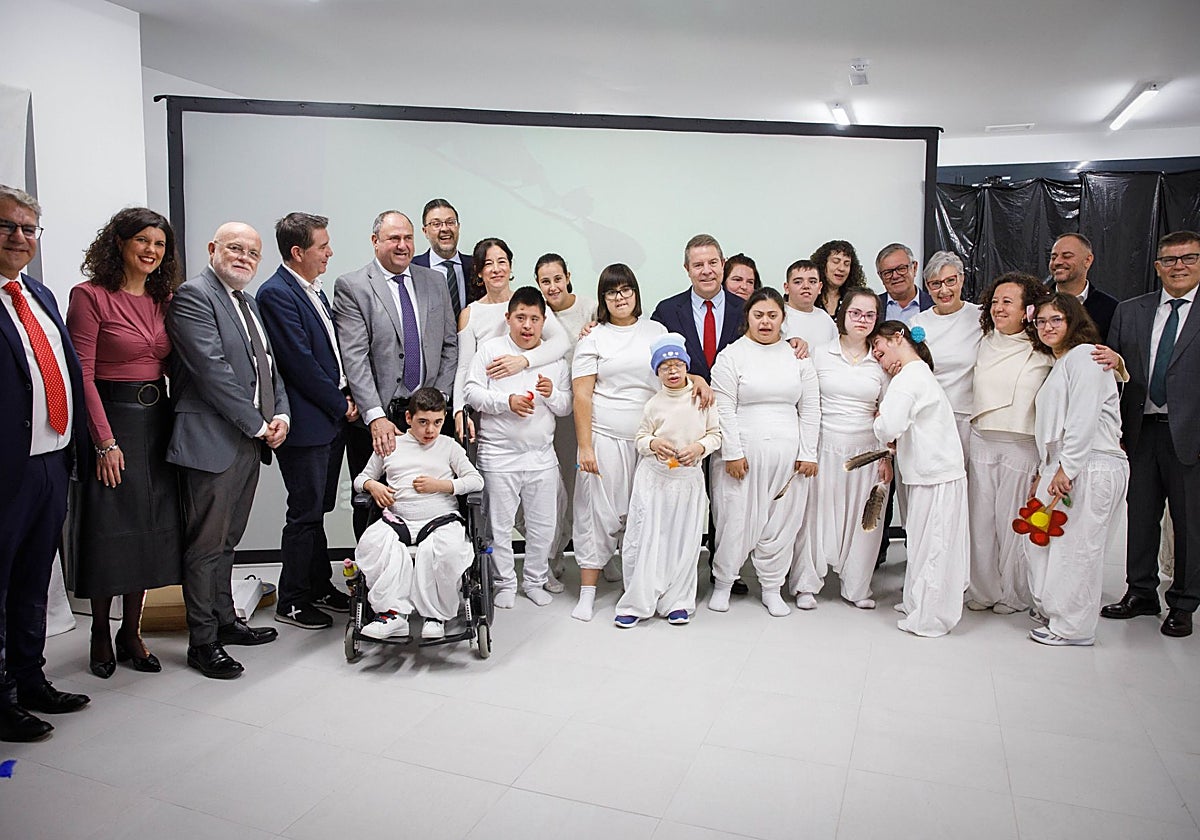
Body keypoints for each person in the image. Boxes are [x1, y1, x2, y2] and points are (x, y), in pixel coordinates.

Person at [167, 222, 289, 679]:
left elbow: (269, 372)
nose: (244, 258)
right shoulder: (194, 296)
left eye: (252, 253)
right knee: (205, 546)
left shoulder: (248, 304)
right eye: (235, 248)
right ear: (213, 249)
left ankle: (226, 620)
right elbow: (212, 372)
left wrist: (281, 417)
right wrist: (258, 423)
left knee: (228, 541)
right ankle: (202, 642)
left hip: (247, 439)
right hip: (210, 442)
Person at [66, 207, 182, 679]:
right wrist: (104, 442)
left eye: (159, 244)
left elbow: (177, 364)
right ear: (119, 243)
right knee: (110, 530)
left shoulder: (163, 298)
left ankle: (131, 632)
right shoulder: (89, 297)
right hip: (112, 423)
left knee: (151, 532)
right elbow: (83, 375)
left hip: (159, 422)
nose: (152, 251)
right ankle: (99, 629)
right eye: (143, 241)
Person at [0, 185, 90, 742]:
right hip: (5, 470)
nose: (19, 237)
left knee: (35, 578)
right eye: (7, 226)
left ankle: (31, 680)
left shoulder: (38, 295)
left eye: (29, 228)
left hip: (50, 461)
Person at [257, 213, 355, 630]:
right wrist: (340, 403)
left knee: (318, 508)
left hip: (327, 421)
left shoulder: (311, 289)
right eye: (323, 246)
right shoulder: (276, 294)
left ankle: (317, 584)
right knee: (304, 512)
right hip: (308, 423)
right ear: (298, 252)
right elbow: (300, 363)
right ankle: (293, 599)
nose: (330, 252)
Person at [333, 210, 456, 539]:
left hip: (428, 418)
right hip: (379, 420)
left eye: (408, 238)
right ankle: (376, 585)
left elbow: (449, 345)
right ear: (375, 242)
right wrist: (374, 416)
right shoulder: (353, 286)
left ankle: (425, 579)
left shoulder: (433, 281)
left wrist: (438, 402)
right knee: (374, 504)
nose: (402, 245)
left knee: (429, 499)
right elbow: (354, 357)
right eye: (393, 238)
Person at [1101, 230, 1200, 638]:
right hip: (1140, 431)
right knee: (1140, 517)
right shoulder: (1131, 311)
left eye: (1188, 258)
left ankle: (1183, 601)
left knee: (1189, 522)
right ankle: (1140, 591)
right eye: (1170, 259)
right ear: (1157, 265)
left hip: (1190, 434)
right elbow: (1113, 377)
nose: (1178, 266)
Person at [709, 287, 821, 617]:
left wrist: (808, 453)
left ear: (783, 319)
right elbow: (723, 407)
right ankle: (723, 583)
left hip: (789, 458)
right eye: (759, 315)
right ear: (748, 319)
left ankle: (772, 587)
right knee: (735, 520)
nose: (766, 321)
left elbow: (811, 407)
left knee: (782, 523)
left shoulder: (797, 357)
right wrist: (732, 452)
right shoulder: (732, 355)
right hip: (742, 456)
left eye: (773, 315)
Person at [1024, 294, 1129, 645]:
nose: (1047, 327)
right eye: (1041, 321)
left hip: (1090, 462)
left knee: (1078, 550)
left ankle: (1074, 628)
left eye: (1056, 320)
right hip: (1065, 462)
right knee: (1044, 541)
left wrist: (1067, 469)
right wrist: (1047, 468)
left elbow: (1083, 416)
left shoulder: (1085, 355)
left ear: (1073, 321)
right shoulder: (1064, 361)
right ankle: (1057, 611)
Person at [464, 286, 572, 608]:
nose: (527, 325)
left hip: (541, 456)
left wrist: (552, 393)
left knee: (543, 525)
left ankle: (536, 579)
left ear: (543, 322)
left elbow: (565, 407)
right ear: (508, 318)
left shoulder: (553, 359)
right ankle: (505, 583)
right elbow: (471, 392)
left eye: (534, 319)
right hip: (498, 455)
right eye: (521, 317)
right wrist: (505, 402)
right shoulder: (490, 349)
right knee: (499, 525)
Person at [571, 264, 667, 620]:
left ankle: (637, 586)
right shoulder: (593, 337)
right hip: (604, 439)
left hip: (648, 442)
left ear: (636, 293)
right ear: (603, 299)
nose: (620, 297)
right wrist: (585, 447)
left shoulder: (656, 331)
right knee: (597, 513)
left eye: (626, 290)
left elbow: (673, 377)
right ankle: (587, 592)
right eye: (612, 292)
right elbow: (582, 396)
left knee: (643, 514)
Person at [351, 388, 484, 641]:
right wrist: (373, 486)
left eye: (437, 423)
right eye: (423, 422)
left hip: (440, 519)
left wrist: (442, 486)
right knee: (373, 544)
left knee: (447, 550)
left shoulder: (449, 447)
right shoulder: (391, 445)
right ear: (409, 418)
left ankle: (435, 617)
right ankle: (393, 616)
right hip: (398, 519)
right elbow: (361, 478)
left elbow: (475, 481)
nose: (430, 430)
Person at [789, 288, 889, 610]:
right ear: (843, 315)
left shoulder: (882, 362)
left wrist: (886, 455)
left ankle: (857, 587)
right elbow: (805, 403)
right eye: (855, 313)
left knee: (866, 520)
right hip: (824, 446)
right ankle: (806, 584)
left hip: (867, 451)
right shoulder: (820, 354)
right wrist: (806, 450)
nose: (862, 320)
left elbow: (888, 412)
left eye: (869, 314)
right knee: (814, 517)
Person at [613, 334, 720, 627]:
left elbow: (715, 435)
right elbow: (640, 438)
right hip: (654, 480)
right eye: (664, 367)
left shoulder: (702, 399)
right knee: (647, 538)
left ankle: (678, 601)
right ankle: (638, 601)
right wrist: (653, 443)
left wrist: (700, 448)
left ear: (687, 367)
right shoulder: (653, 404)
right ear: (657, 372)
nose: (672, 371)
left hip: (688, 482)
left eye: (677, 365)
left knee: (683, 541)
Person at [870, 321, 969, 637]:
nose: (878, 357)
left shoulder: (909, 378)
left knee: (934, 546)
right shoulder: (918, 374)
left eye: (879, 349)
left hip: (936, 474)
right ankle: (916, 603)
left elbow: (889, 426)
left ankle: (931, 618)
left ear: (897, 339)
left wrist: (879, 421)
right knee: (923, 543)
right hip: (927, 472)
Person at [964, 272, 1053, 616]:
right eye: (995, 301)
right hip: (983, 438)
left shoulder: (1042, 347)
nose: (999, 308)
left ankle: (1012, 593)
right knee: (981, 520)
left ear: (1027, 309)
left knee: (1012, 520)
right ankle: (983, 588)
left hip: (1021, 443)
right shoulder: (983, 341)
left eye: (1008, 302)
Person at [452, 239, 571, 442]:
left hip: (534, 410)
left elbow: (561, 342)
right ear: (479, 271)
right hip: (493, 411)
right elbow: (464, 368)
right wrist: (459, 412)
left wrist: (523, 361)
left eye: (502, 261)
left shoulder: (530, 302)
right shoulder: (470, 314)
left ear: (510, 266)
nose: (496, 269)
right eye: (489, 264)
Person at [535, 253, 597, 585]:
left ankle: (599, 554)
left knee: (587, 488)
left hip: (589, 411)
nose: (553, 286)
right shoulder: (537, 315)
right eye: (545, 281)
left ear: (568, 276)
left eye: (557, 278)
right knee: (555, 489)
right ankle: (552, 555)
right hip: (553, 413)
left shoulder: (590, 308)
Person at [909, 251, 981, 453]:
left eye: (950, 281)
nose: (944, 290)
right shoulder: (918, 322)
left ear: (962, 279)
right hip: (928, 415)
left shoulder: (980, 317)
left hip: (966, 417)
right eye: (935, 284)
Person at [650, 234, 744, 382]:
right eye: (698, 265)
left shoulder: (746, 310)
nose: (707, 271)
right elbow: (657, 364)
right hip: (685, 400)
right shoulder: (667, 312)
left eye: (713, 263)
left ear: (723, 264)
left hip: (736, 401)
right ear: (687, 269)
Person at [412, 198, 476, 318]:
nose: (445, 229)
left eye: (450, 222)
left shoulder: (475, 265)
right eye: (436, 224)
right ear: (425, 231)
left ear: (458, 227)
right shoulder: (412, 268)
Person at [1047, 233, 1118, 339]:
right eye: (1053, 257)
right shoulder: (1037, 301)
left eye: (1067, 256)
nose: (1057, 262)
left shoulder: (1111, 308)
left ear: (1088, 260)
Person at [783, 259, 838, 350]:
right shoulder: (778, 316)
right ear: (787, 288)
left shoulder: (826, 319)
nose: (806, 286)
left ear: (820, 287)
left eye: (812, 282)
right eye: (798, 282)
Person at [876, 243, 933, 323]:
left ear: (914, 268)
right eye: (887, 272)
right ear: (880, 276)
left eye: (901, 268)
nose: (895, 276)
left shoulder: (935, 305)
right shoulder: (872, 307)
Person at [811, 239, 867, 318]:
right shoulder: (809, 297)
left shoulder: (855, 300)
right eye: (836, 262)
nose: (841, 268)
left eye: (847, 264)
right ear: (822, 265)